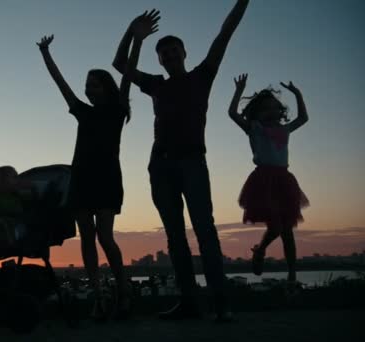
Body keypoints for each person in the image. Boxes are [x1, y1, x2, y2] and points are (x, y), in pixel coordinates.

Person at [112, 1, 249, 321]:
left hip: (192, 164)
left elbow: (224, 34)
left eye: (175, 51)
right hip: (160, 165)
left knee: (205, 231)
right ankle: (189, 302)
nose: (171, 57)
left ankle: (220, 303)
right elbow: (120, 64)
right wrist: (134, 33)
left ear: (184, 53)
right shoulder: (155, 84)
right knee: (175, 236)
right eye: (165, 54)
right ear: (159, 59)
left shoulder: (203, 75)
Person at [36, 16, 157, 319]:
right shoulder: (81, 111)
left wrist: (136, 37)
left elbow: (127, 71)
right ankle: (99, 295)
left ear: (106, 87)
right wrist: (46, 54)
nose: (88, 89)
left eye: (93, 84)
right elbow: (60, 82)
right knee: (87, 237)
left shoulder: (117, 111)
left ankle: (124, 290)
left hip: (106, 179)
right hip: (81, 179)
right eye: (87, 86)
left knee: (105, 236)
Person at [228, 73, 309, 283]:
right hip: (264, 181)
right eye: (265, 108)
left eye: (274, 107)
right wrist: (238, 91)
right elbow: (232, 113)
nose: (271, 111)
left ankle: (292, 274)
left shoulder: (285, 128)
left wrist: (297, 94)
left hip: (285, 181)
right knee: (276, 228)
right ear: (257, 113)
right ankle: (261, 250)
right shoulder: (254, 128)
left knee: (288, 231)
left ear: (280, 111)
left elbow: (303, 118)